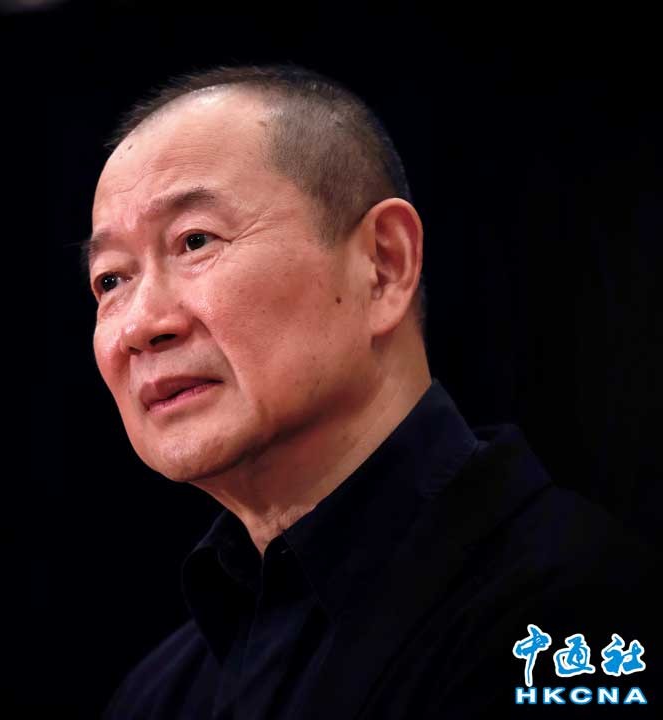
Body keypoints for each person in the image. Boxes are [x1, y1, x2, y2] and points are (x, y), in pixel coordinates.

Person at [83, 65, 658, 719]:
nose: (139, 325)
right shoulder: (159, 694)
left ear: (383, 265)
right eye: (111, 280)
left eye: (195, 241)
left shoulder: (577, 621)